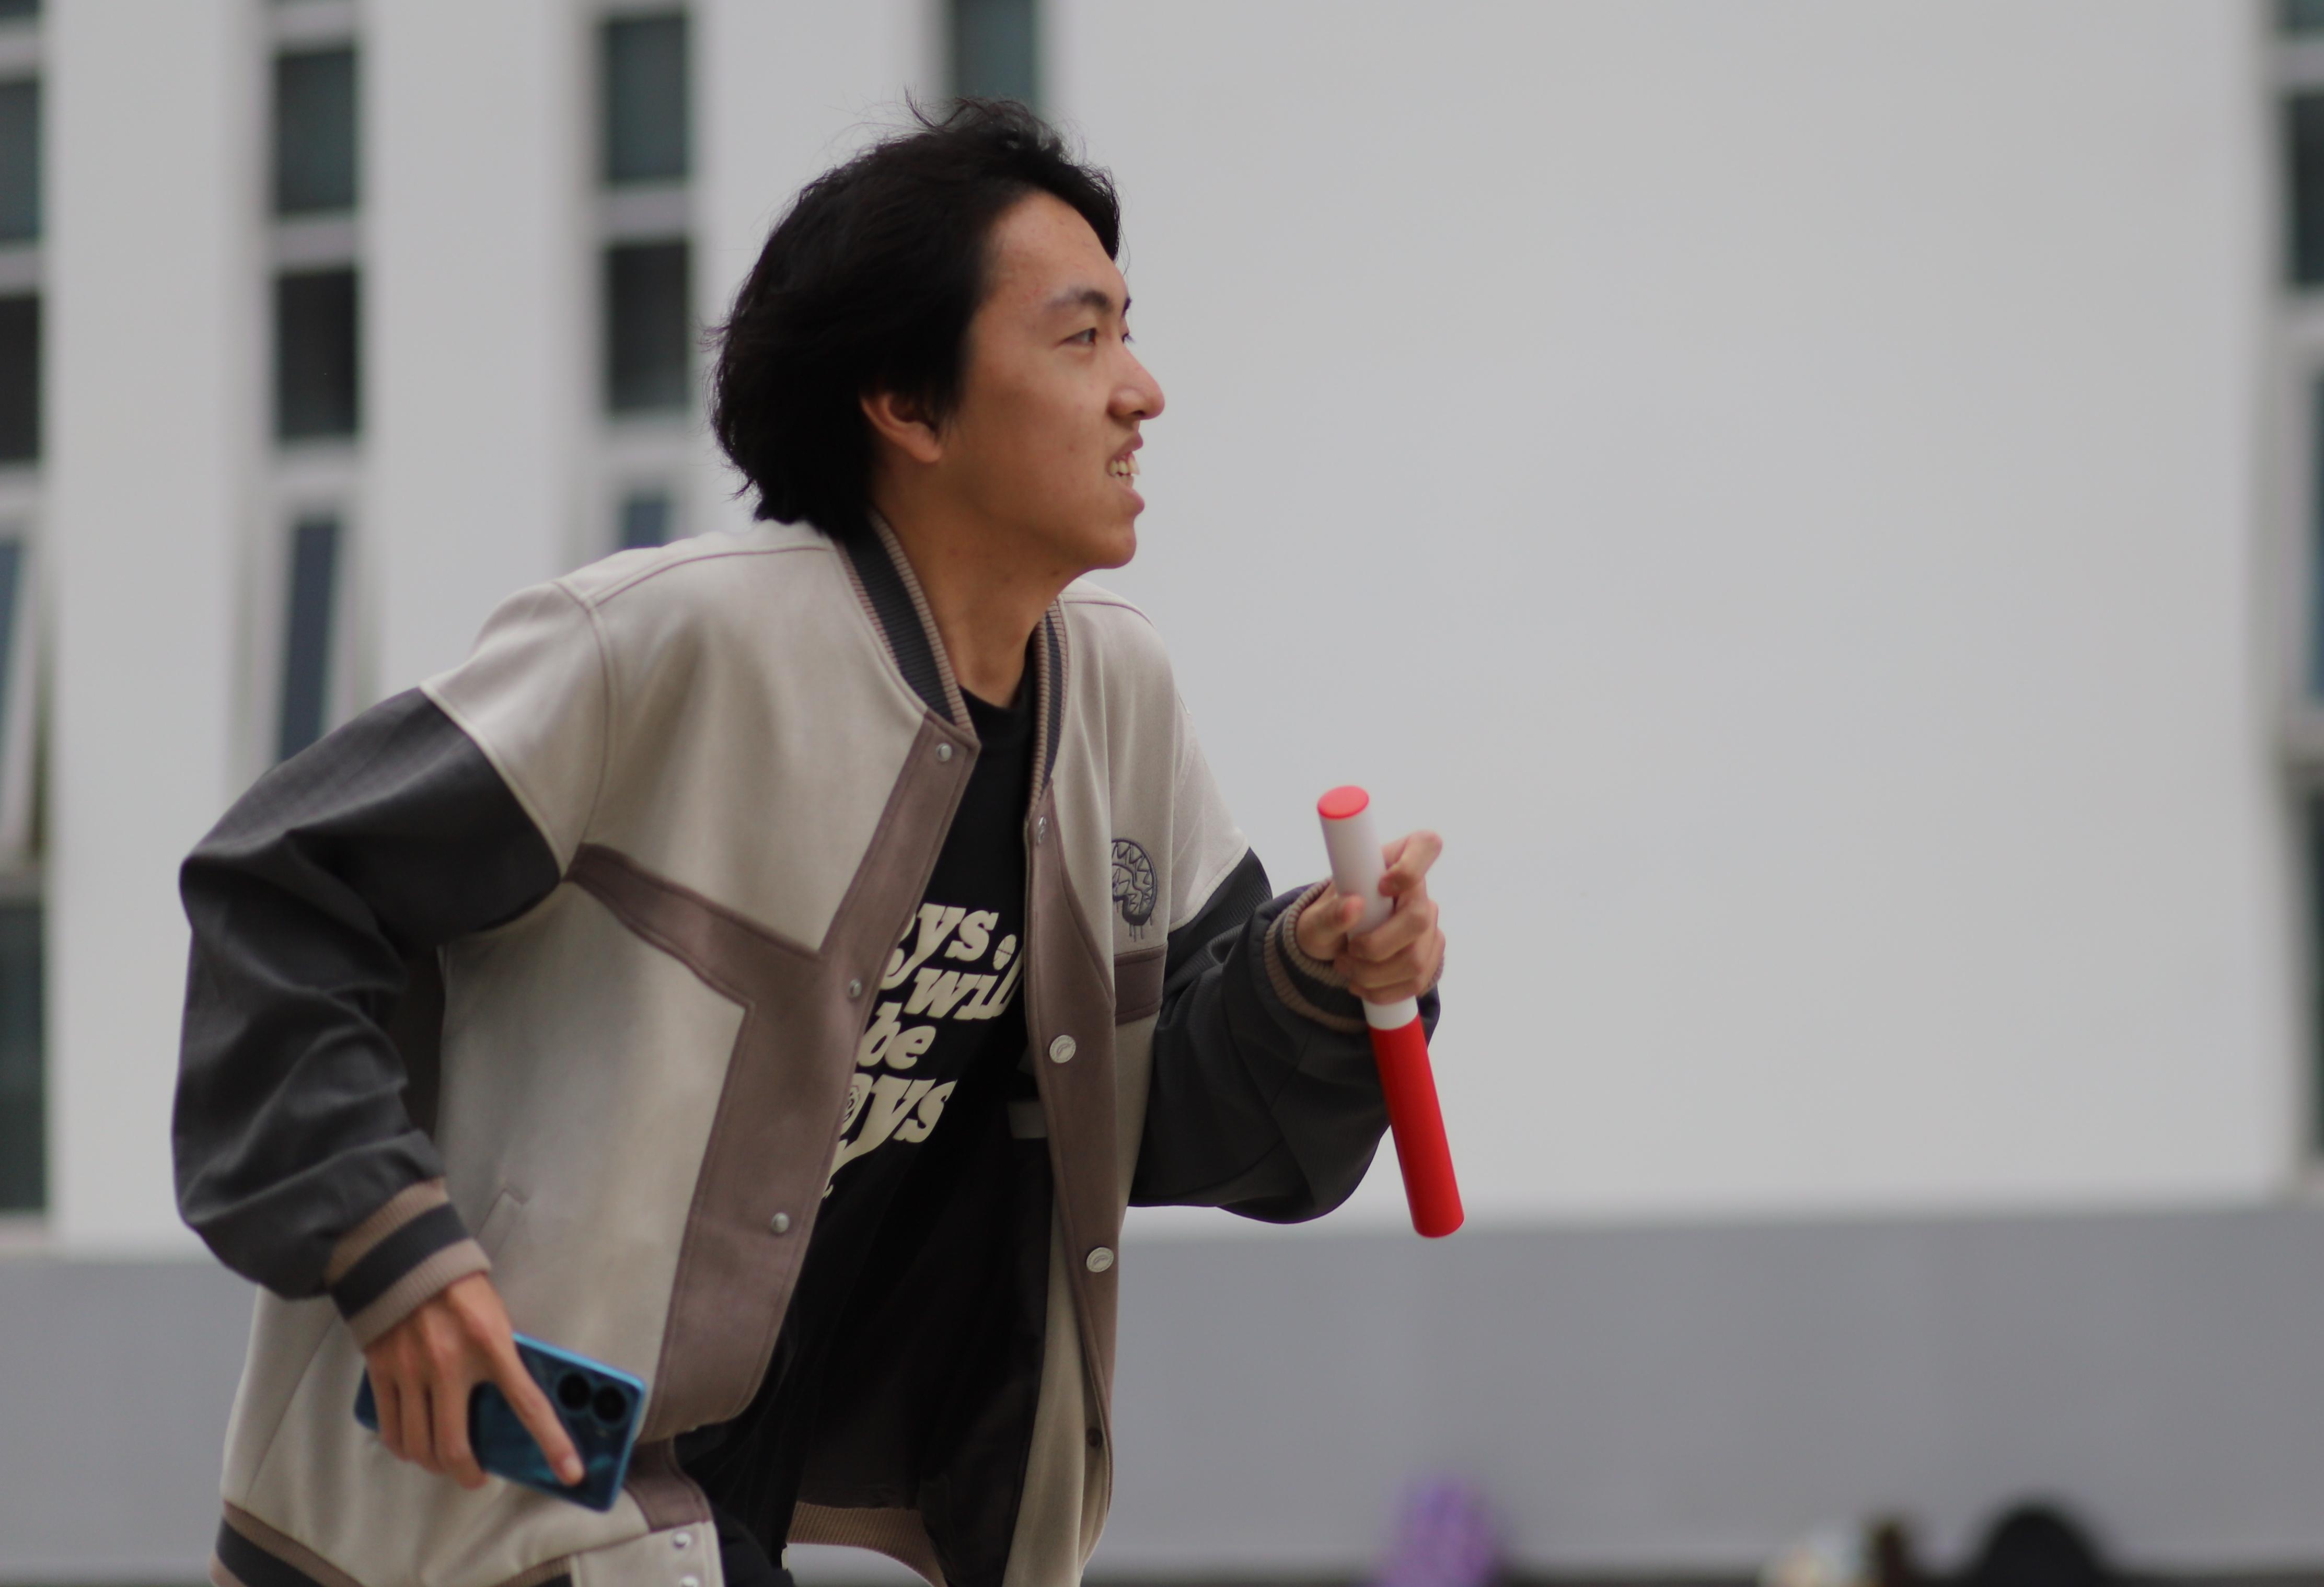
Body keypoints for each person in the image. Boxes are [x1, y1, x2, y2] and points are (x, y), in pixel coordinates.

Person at [171, 103, 1450, 1587]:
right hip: (494, 1465)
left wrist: (1318, 976)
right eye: (1082, 337)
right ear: (906, 403)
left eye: (1129, 332)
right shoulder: (673, 644)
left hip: (703, 1509)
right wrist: (390, 1246)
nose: (1141, 390)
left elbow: (1177, 1112)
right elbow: (282, 884)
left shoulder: (1117, 696)